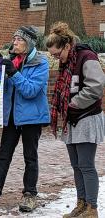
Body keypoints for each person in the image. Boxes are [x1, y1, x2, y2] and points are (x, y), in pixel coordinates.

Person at [0, 26, 50, 212]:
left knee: (30, 156)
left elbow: (30, 91)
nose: (15, 42)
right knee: (3, 155)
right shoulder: (12, 60)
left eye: (19, 40)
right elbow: (0, 87)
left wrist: (12, 72)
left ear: (29, 43)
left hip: (32, 118)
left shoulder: (40, 63)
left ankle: (29, 194)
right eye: (14, 39)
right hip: (12, 116)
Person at [46, 22, 105, 218]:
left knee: (86, 165)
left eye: (57, 54)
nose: (56, 58)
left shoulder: (87, 57)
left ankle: (92, 208)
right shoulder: (67, 62)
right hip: (71, 119)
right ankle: (81, 204)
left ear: (67, 45)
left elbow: (95, 87)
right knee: (76, 165)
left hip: (86, 117)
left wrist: (73, 103)